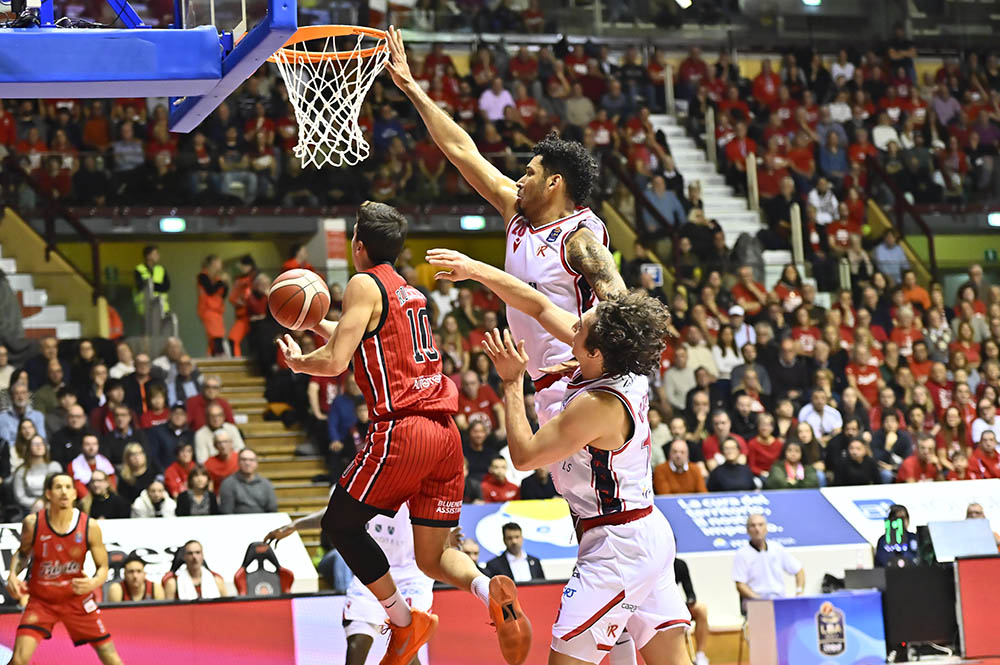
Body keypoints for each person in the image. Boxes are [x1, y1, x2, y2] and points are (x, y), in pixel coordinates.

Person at [276, 200, 529, 665]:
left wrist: (299, 363)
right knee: (432, 557)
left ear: (358, 245)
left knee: (340, 524)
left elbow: (335, 360)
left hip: (403, 429)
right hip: (444, 435)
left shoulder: (362, 283)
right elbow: (359, 338)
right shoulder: (409, 292)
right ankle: (486, 589)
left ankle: (402, 621)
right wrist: (315, 323)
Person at [476, 281, 692, 665]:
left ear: (596, 352)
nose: (572, 325)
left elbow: (524, 457)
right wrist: (474, 270)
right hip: (646, 530)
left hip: (617, 544)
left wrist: (511, 382)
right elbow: (541, 307)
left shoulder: (598, 405)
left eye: (580, 326)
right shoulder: (624, 369)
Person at [266, 502, 435, 665]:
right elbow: (337, 512)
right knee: (356, 644)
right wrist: (295, 525)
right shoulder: (370, 486)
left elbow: (441, 522)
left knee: (405, 649)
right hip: (372, 572)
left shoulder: (416, 488)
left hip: (410, 575)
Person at [5, 473, 123, 665]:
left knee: (109, 654)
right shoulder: (33, 523)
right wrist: (12, 574)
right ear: (48, 494)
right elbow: (22, 554)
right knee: (18, 660)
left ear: (75, 494)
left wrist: (93, 582)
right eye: (58, 487)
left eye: (68, 487)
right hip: (42, 600)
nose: (64, 492)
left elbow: (103, 568)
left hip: (76, 599)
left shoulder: (89, 526)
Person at [733, 514, 805, 613]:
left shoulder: (777, 548)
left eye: (760, 525)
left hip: (779, 600)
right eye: (753, 526)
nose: (757, 529)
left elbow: (799, 570)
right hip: (756, 602)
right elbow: (740, 585)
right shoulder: (742, 554)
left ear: (766, 528)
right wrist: (760, 600)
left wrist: (799, 592)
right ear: (747, 530)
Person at [12, 436, 63, 515]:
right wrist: (37, 502)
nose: (39, 446)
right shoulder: (21, 471)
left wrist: (50, 501)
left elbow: (60, 488)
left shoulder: (54, 466)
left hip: (53, 503)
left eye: (41, 443)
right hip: (30, 507)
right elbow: (20, 497)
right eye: (35, 444)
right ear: (28, 448)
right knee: (39, 506)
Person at [163, 540, 229, 600]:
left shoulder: (217, 581)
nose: (194, 557)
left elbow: (226, 606)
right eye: (190, 553)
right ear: (184, 557)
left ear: (202, 555)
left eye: (197, 552)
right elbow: (169, 609)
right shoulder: (173, 583)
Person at [218, 448, 277, 514]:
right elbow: (226, 512)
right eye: (244, 459)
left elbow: (272, 510)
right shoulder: (228, 483)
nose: (247, 463)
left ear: (256, 463)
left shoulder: (266, 484)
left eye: (251, 460)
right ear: (238, 462)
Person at [197, 254, 229, 356]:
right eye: (218, 262)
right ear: (212, 263)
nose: (220, 264)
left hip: (217, 310)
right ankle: (220, 355)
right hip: (208, 309)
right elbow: (210, 290)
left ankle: (213, 355)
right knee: (216, 335)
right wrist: (221, 281)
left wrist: (225, 284)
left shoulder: (217, 277)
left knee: (217, 335)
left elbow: (223, 295)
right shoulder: (203, 276)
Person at [228, 255, 257, 358]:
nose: (241, 269)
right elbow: (233, 298)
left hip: (247, 316)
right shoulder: (244, 280)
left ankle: (237, 361)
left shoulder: (249, 280)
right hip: (245, 316)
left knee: (234, 339)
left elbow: (237, 298)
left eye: (242, 266)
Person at [133, 244, 170, 318]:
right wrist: (157, 285)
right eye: (155, 254)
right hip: (145, 309)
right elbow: (140, 286)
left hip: (162, 308)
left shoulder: (161, 269)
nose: (158, 255)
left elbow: (166, 286)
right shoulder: (139, 269)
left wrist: (150, 285)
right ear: (148, 256)